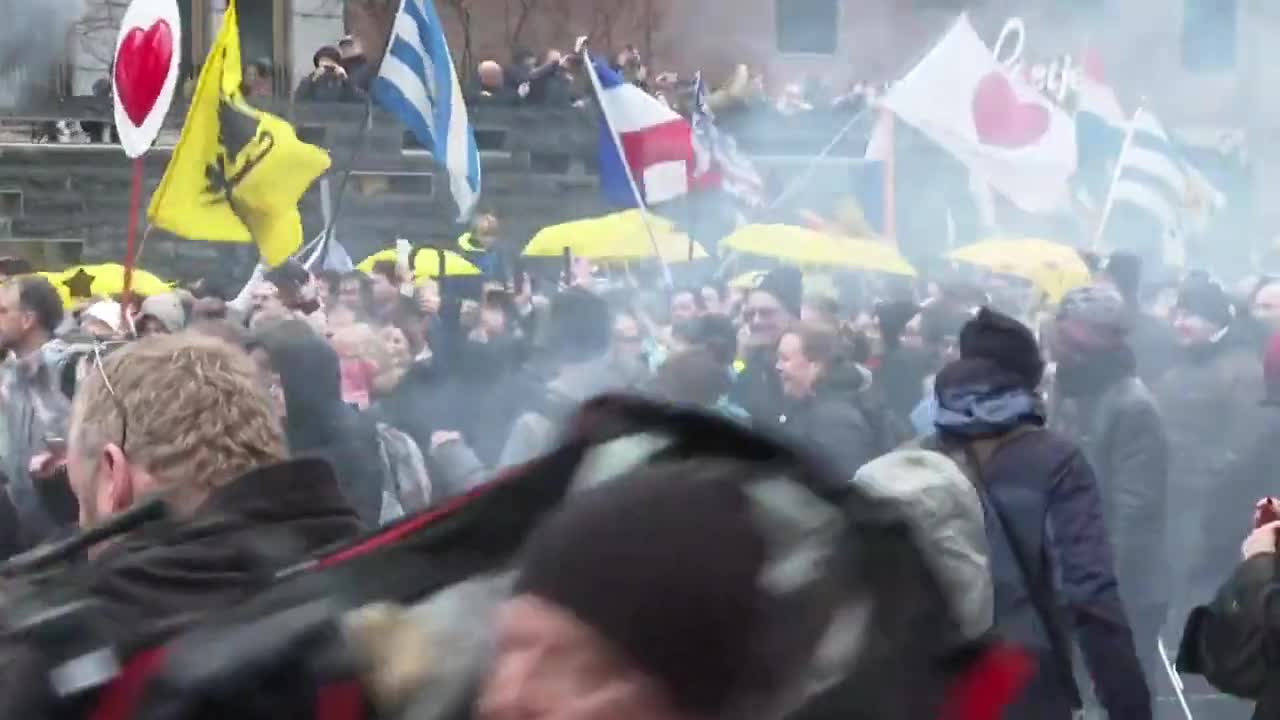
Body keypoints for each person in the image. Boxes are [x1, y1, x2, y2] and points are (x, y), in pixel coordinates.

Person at [0, 332, 363, 716]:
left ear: (113, 476)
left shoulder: (60, 658)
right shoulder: (391, 576)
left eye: (80, 497)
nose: (80, 521)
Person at [929, 307, 1151, 720]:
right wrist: (1129, 704)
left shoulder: (921, 456)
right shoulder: (1056, 461)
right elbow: (1089, 595)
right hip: (1019, 677)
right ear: (1028, 380)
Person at [1047, 286, 1170, 683]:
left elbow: (1135, 508)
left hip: (1117, 588)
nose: (1055, 345)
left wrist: (1095, 587)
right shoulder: (1065, 386)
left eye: (1066, 338)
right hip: (1068, 573)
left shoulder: (1131, 405)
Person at [1156, 279, 1266, 642]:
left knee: (1201, 579)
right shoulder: (1180, 361)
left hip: (1212, 503)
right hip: (1175, 493)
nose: (1178, 323)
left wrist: (1205, 474)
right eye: (1176, 314)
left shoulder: (1241, 367)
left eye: (1189, 315)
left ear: (1213, 320)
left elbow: (1245, 441)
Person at [249, 320, 387, 525]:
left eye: (264, 369)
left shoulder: (349, 443)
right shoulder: (272, 433)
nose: (252, 380)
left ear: (296, 375)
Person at [0, 276, 71, 546]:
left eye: (3, 311)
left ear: (28, 320)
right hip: (16, 537)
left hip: (65, 540)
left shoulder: (71, 370)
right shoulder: (7, 375)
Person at [776, 325, 882, 477]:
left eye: (785, 359)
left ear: (816, 365)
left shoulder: (835, 419)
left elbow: (842, 486)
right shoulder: (806, 403)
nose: (777, 366)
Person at [730, 267, 801, 425]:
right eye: (750, 314)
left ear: (792, 316)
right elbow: (731, 393)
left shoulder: (806, 360)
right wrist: (741, 357)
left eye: (766, 313)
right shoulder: (751, 357)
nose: (756, 321)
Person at [294, 46, 363, 103]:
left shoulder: (343, 81)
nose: (327, 69)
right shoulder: (311, 80)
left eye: (331, 65)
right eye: (324, 64)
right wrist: (312, 79)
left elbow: (360, 100)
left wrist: (345, 80)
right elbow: (298, 100)